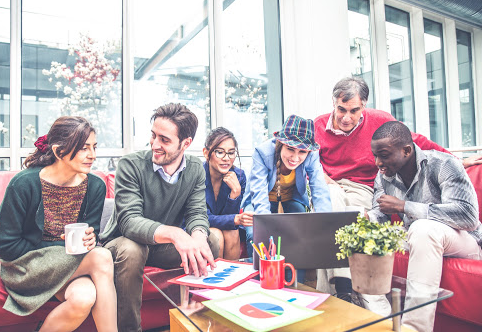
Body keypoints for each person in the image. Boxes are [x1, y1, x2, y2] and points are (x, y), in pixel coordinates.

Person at [313, 76, 482, 297]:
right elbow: (306, 158)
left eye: (354, 111)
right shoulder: (318, 126)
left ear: (363, 106)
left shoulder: (381, 125)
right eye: (341, 110)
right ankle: (339, 289)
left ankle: (338, 291)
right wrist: (320, 177)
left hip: (362, 187)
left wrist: (456, 160)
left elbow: (414, 140)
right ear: (333, 102)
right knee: (329, 208)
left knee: (343, 220)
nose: (347, 118)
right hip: (332, 183)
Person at [100, 103, 220, 332]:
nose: (155, 144)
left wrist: (196, 236)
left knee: (209, 240)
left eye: (164, 140)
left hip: (160, 247)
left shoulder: (195, 168)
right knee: (133, 250)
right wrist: (175, 233)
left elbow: (196, 212)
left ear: (185, 143)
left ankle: (194, 322)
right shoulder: (131, 165)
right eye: (153, 136)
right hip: (121, 244)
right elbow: (129, 221)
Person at [0, 116, 117, 332]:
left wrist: (91, 239)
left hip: (68, 264)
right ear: (59, 152)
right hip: (25, 266)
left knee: (83, 298)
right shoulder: (24, 184)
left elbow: (92, 235)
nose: (92, 155)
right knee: (102, 256)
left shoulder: (95, 186)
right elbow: (5, 246)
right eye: (84, 148)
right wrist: (60, 250)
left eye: (94, 147)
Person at [367, 121, 482, 332]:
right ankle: (381, 320)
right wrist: (368, 218)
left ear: (406, 150)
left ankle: (414, 329)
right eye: (375, 156)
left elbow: (468, 217)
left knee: (423, 228)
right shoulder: (384, 174)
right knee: (358, 226)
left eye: (384, 155)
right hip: (416, 236)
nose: (378, 162)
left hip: (466, 242)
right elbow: (381, 216)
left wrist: (405, 206)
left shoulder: (444, 164)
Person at [242, 114, 332, 283]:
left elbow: (319, 189)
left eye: (302, 152)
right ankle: (259, 280)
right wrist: (265, 228)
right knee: (255, 232)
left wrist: (324, 222)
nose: (295, 157)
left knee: (300, 230)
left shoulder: (312, 155)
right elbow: (259, 193)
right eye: (290, 149)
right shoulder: (262, 152)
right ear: (281, 144)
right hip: (260, 201)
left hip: (291, 198)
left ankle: (296, 284)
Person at [203, 127, 253, 260]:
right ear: (206, 153)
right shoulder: (197, 174)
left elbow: (229, 219)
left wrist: (234, 194)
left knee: (232, 232)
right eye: (220, 152)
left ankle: (233, 277)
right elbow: (201, 216)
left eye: (231, 153)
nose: (226, 158)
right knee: (216, 235)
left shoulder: (239, 176)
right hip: (197, 225)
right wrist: (235, 219)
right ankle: (212, 278)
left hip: (225, 228)